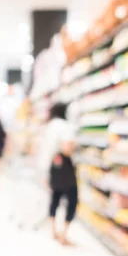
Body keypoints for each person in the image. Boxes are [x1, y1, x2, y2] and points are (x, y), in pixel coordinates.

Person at [39, 103, 77, 246]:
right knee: (72, 199)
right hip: (64, 166)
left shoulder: (49, 126)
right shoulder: (65, 126)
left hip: (51, 166)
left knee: (55, 198)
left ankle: (53, 230)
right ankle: (64, 234)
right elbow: (67, 148)